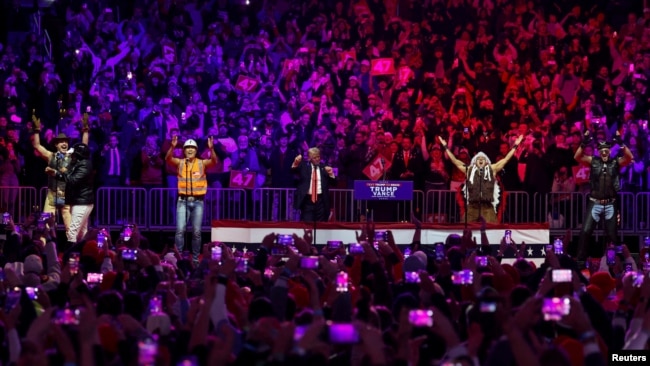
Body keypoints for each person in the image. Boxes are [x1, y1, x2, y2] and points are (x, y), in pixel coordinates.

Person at [574, 131, 633, 260]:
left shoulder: (615, 162)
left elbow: (629, 157)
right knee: (585, 231)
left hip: (610, 202)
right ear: (598, 152)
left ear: (610, 151)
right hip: (595, 201)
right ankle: (580, 260)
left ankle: (612, 261)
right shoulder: (593, 161)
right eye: (602, 150)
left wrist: (621, 143)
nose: (604, 152)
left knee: (612, 235)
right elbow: (577, 157)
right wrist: (584, 142)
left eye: (606, 150)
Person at [438, 134, 524, 223]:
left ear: (486, 161)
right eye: (478, 158)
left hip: (487, 205)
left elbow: (506, 159)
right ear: (475, 161)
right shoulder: (470, 170)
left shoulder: (492, 169)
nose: (480, 159)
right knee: (464, 226)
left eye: (483, 158)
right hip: (473, 206)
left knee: (493, 227)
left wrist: (515, 146)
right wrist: (445, 147)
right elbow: (455, 161)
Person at [31, 113, 89, 232]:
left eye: (66, 141)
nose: (64, 143)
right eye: (61, 141)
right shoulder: (50, 156)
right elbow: (36, 145)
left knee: (70, 227)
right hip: (52, 194)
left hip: (66, 195)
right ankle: (44, 246)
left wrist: (85, 130)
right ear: (56, 145)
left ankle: (74, 248)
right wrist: (36, 131)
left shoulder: (72, 157)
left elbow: (84, 146)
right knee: (46, 225)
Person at [165, 135, 217, 264]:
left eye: (192, 148)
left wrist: (212, 149)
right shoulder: (180, 162)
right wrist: (172, 146)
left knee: (197, 232)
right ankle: (179, 258)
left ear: (196, 150)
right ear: (183, 150)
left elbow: (214, 162)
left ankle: (195, 259)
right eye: (187, 148)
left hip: (198, 201)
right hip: (182, 201)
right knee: (180, 230)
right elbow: (167, 159)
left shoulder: (201, 163)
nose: (189, 150)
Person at [45, 143, 94, 244]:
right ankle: (82, 254)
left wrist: (56, 173)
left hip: (82, 202)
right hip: (79, 201)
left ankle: (70, 255)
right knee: (82, 233)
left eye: (74, 154)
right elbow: (69, 174)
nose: (72, 156)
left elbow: (72, 180)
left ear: (79, 155)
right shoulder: (78, 163)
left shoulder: (85, 164)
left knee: (72, 232)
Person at [292, 147, 336, 223]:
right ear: (309, 158)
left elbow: (334, 183)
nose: (317, 159)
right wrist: (295, 163)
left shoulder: (324, 168)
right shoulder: (304, 167)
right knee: (307, 224)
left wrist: (331, 174)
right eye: (314, 157)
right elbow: (293, 171)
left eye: (318, 157)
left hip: (321, 201)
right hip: (307, 201)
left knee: (321, 225)